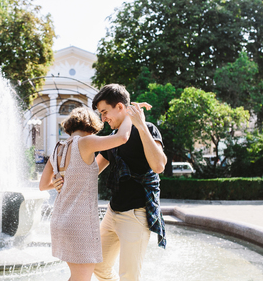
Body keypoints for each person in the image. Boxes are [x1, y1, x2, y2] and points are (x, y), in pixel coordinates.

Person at [55, 84, 167, 281]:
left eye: (105, 112)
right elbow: (91, 172)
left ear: (121, 107)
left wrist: (140, 125)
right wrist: (63, 181)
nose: (103, 118)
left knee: (129, 276)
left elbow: (159, 165)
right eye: (100, 113)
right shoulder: (114, 139)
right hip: (112, 213)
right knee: (97, 266)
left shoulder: (147, 129)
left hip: (136, 214)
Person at [39, 106, 133, 281]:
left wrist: (56, 184)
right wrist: (129, 114)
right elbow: (122, 137)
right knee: (81, 278)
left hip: (60, 220)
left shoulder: (58, 148)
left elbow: (43, 185)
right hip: (79, 223)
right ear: (91, 126)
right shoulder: (86, 142)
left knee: (77, 276)